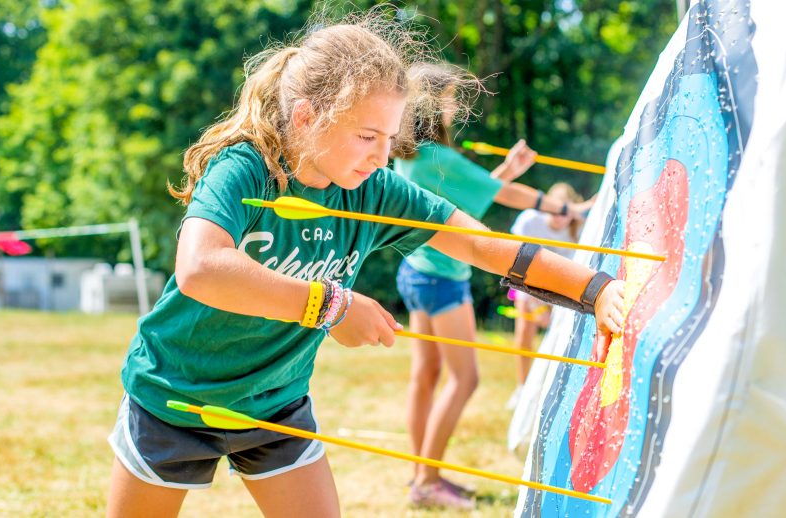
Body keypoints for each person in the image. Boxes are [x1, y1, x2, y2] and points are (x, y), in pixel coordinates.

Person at [105, 14, 624, 518]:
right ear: (307, 116)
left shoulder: (376, 191)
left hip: (274, 403)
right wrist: (331, 305)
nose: (382, 156)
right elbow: (200, 267)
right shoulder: (246, 167)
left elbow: (486, 248)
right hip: (173, 397)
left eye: (390, 139)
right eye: (366, 136)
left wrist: (596, 289)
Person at [390, 63, 594, 509]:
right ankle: (428, 482)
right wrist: (567, 209)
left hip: (415, 273)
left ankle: (421, 477)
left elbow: (469, 193)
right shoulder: (437, 157)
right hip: (443, 279)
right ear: (432, 104)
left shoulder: (412, 156)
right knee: (465, 379)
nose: (455, 108)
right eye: (449, 99)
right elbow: (502, 196)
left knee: (425, 376)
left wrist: (506, 170)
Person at [506, 182, 595, 409]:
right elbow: (513, 259)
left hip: (560, 285)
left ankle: (555, 389)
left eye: (564, 212)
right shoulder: (529, 221)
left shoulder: (582, 229)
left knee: (561, 334)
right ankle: (522, 388)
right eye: (555, 210)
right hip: (525, 281)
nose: (559, 217)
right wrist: (536, 306)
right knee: (525, 332)